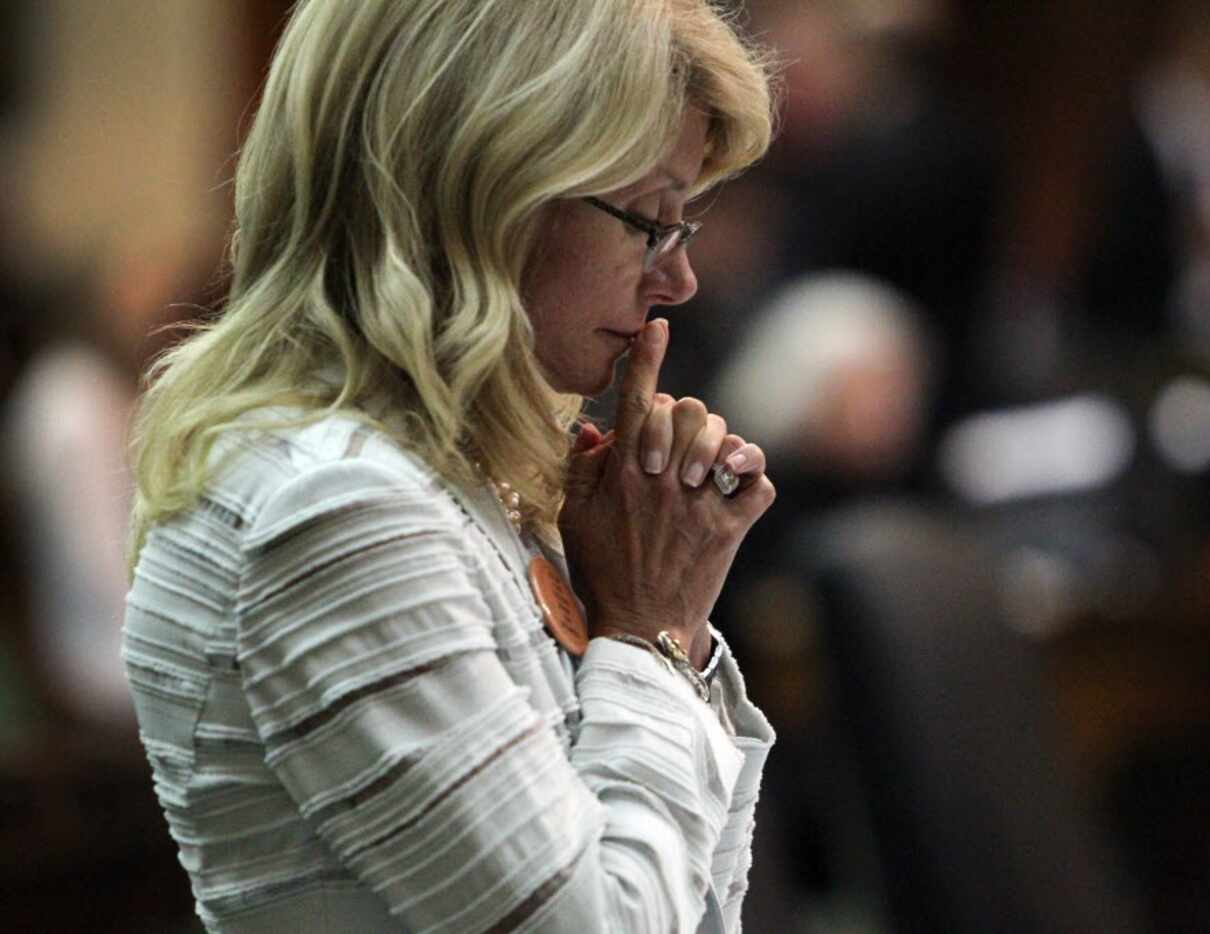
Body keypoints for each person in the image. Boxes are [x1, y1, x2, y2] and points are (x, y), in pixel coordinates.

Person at [121, 1, 777, 931]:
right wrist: (651, 633)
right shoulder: (336, 505)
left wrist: (661, 629)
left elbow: (699, 909)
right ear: (489, 179)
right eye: (649, 221)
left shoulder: (462, 472)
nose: (678, 283)